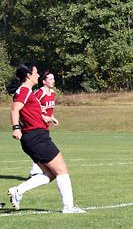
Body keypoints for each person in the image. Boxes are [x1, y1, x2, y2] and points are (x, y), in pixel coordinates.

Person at [6, 63, 84, 213]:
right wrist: (15, 128)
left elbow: (29, 111)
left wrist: (45, 117)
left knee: (50, 174)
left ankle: (17, 191)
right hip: (37, 137)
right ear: (28, 75)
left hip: (33, 137)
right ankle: (69, 207)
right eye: (36, 72)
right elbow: (15, 110)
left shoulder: (27, 91)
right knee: (62, 170)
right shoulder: (24, 90)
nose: (38, 75)